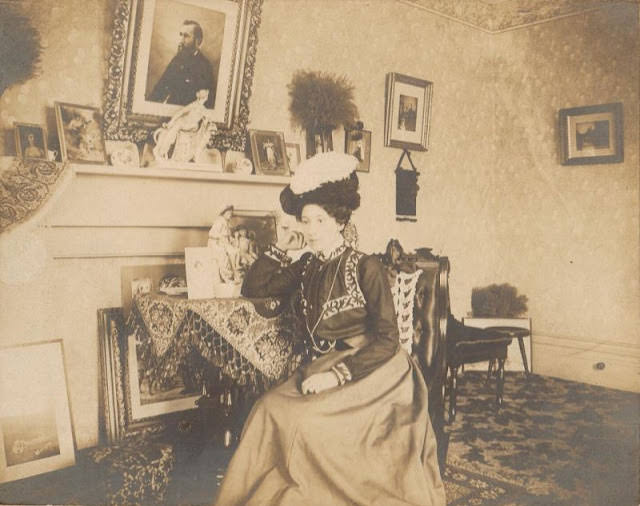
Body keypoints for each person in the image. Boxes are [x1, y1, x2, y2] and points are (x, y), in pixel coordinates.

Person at [214, 152, 445, 506]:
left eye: (319, 221)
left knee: (306, 422)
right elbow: (254, 289)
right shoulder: (308, 266)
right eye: (306, 221)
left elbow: (388, 340)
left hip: (376, 371)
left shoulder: (365, 267)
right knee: (267, 408)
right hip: (322, 366)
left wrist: (337, 376)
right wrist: (280, 247)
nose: (311, 231)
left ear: (338, 221)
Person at [148, 20, 215, 108]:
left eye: (186, 36)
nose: (181, 40)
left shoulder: (205, 66)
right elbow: (161, 87)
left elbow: (205, 103)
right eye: (181, 35)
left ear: (197, 41)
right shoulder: (177, 60)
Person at [153, 88, 214, 162]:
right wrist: (171, 122)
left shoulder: (204, 110)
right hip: (182, 123)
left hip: (190, 127)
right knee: (173, 130)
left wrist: (207, 123)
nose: (204, 95)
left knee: (175, 128)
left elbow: (208, 121)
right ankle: (162, 151)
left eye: (206, 94)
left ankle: (163, 151)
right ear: (197, 94)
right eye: (203, 93)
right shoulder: (194, 105)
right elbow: (180, 112)